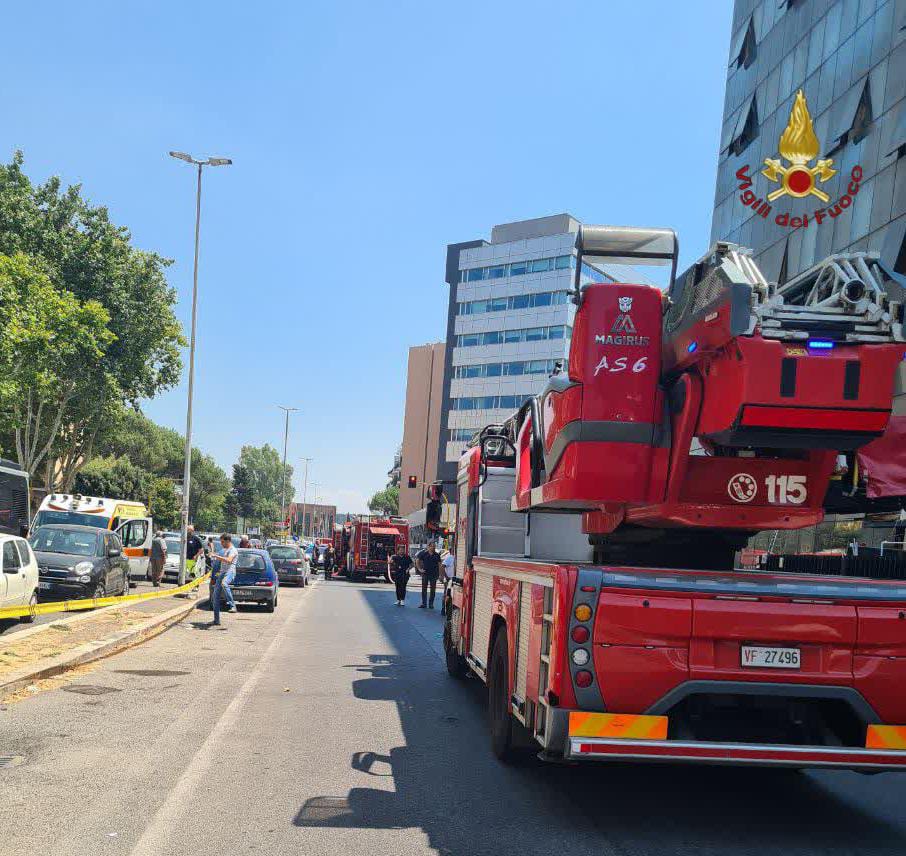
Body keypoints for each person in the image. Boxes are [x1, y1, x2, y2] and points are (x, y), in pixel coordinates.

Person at [210, 533, 238, 626]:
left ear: (228, 541)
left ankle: (232, 605)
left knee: (224, 583)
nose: (221, 544)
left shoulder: (233, 550)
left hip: (230, 572)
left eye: (222, 542)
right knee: (215, 597)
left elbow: (229, 560)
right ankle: (216, 620)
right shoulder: (225, 550)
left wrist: (216, 556)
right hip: (222, 573)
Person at [416, 540, 441, 609]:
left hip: (434, 574)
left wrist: (440, 575)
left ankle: (431, 604)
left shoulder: (437, 555)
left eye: (434, 546)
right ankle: (424, 603)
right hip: (425, 573)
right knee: (424, 589)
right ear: (428, 546)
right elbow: (417, 560)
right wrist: (419, 569)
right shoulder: (424, 553)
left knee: (433, 590)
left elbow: (439, 565)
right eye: (432, 546)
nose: (433, 548)